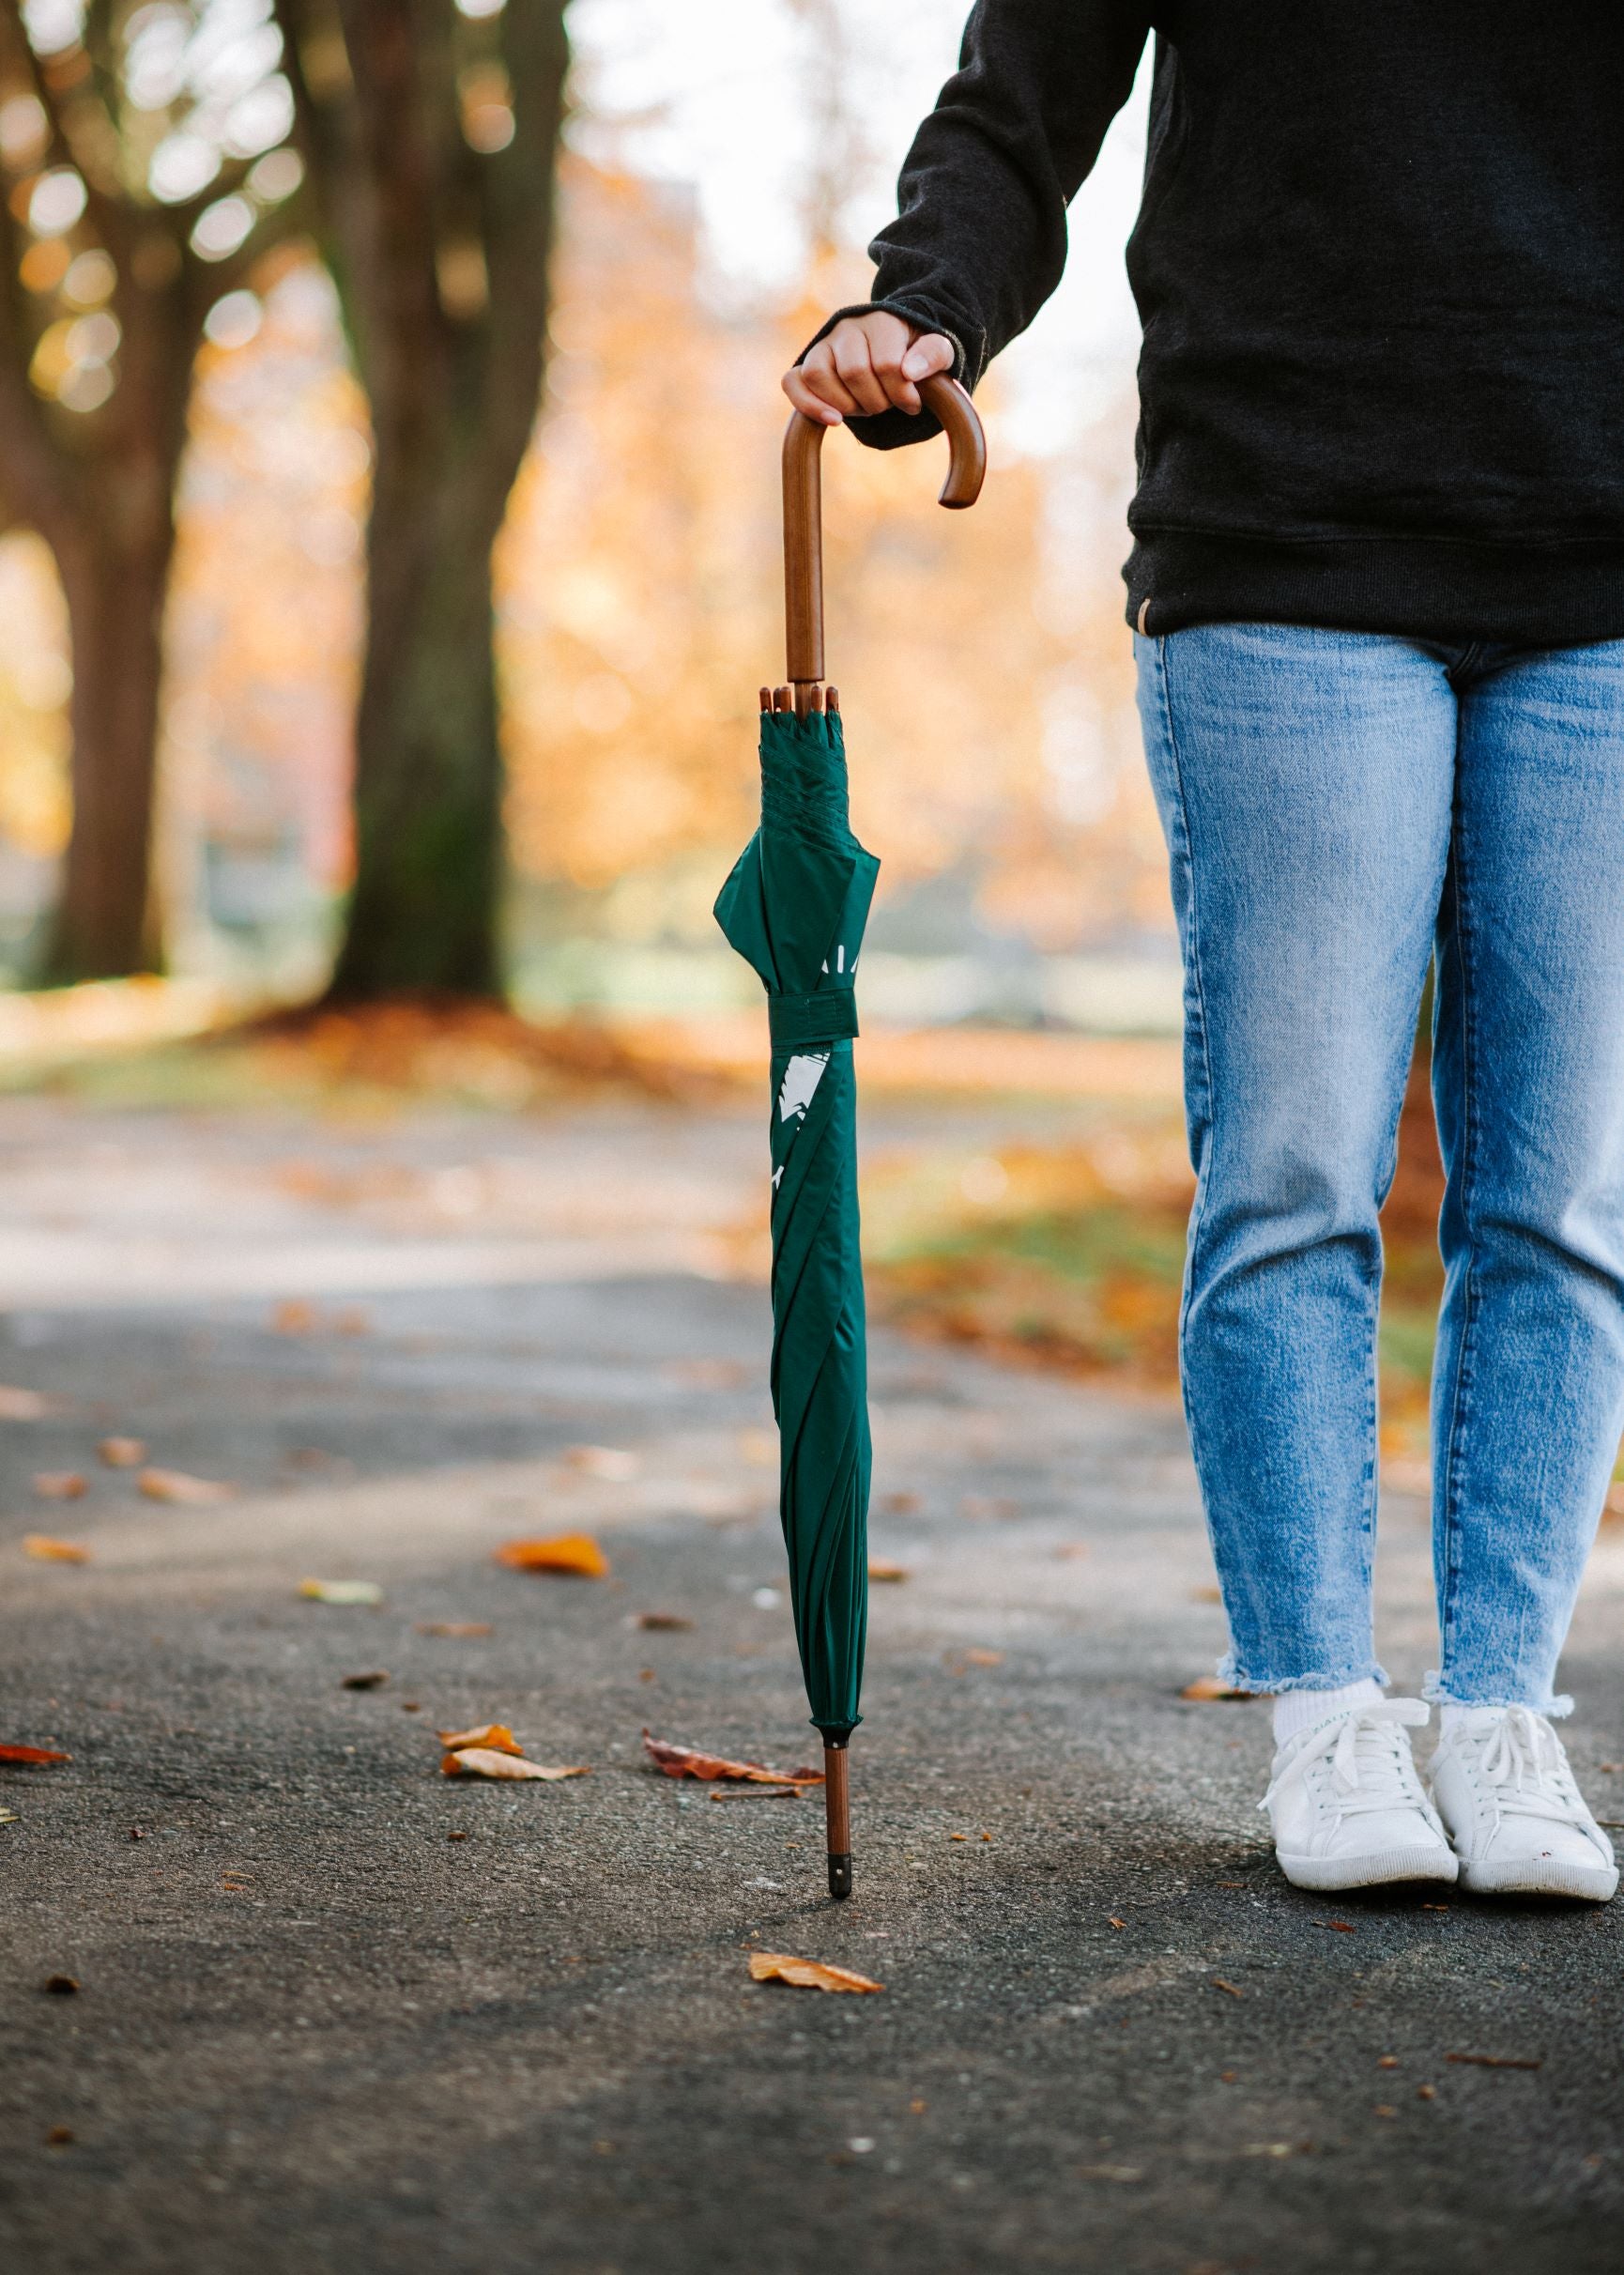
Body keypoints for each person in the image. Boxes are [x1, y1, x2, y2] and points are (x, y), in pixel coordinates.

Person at [784, 1, 1624, 1899]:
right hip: (1285, 536)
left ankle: (1501, 1718)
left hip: (1601, 550)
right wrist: (924, 307)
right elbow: (1019, 103)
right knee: (1294, 1161)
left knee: (1560, 1189)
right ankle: (1326, 1715)